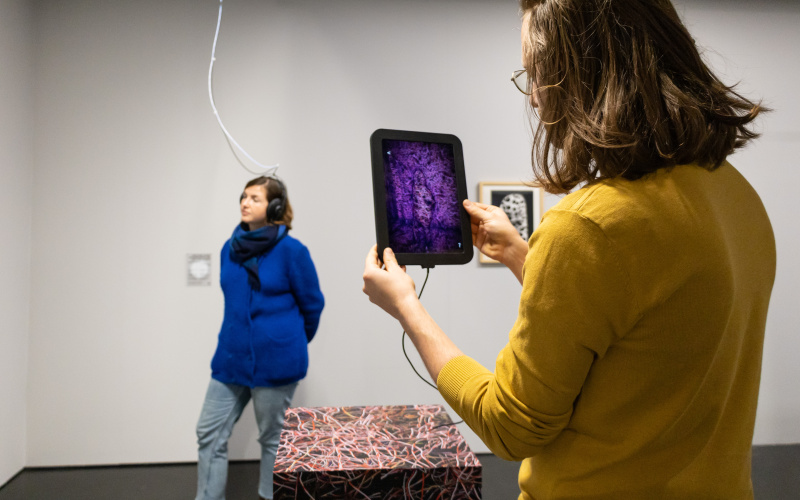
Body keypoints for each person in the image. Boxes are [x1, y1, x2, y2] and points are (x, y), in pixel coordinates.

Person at [362, 0, 776, 498]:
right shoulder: (737, 197)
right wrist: (521, 256)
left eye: (536, 74)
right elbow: (642, 330)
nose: (534, 99)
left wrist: (407, 306)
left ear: (582, 74)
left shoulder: (589, 227)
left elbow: (511, 425)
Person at [196, 175, 324, 500]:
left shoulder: (293, 252)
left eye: (255, 198)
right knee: (209, 433)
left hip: (276, 363)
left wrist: (286, 342)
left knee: (272, 440)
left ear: (275, 207)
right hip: (231, 360)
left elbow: (313, 305)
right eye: (243, 196)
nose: (245, 202)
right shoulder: (229, 249)